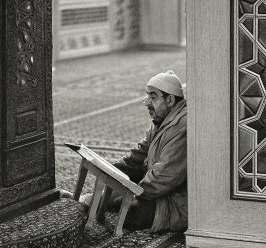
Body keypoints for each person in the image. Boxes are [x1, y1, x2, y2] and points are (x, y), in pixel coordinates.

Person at [63, 70, 187, 233]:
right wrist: (111, 172)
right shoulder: (162, 121)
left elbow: (164, 177)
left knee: (129, 212)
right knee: (121, 186)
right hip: (159, 191)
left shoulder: (182, 127)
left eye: (153, 97)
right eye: (148, 96)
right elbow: (136, 157)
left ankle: (89, 201)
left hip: (177, 202)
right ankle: (90, 200)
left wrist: (133, 195)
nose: (147, 103)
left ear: (170, 99)